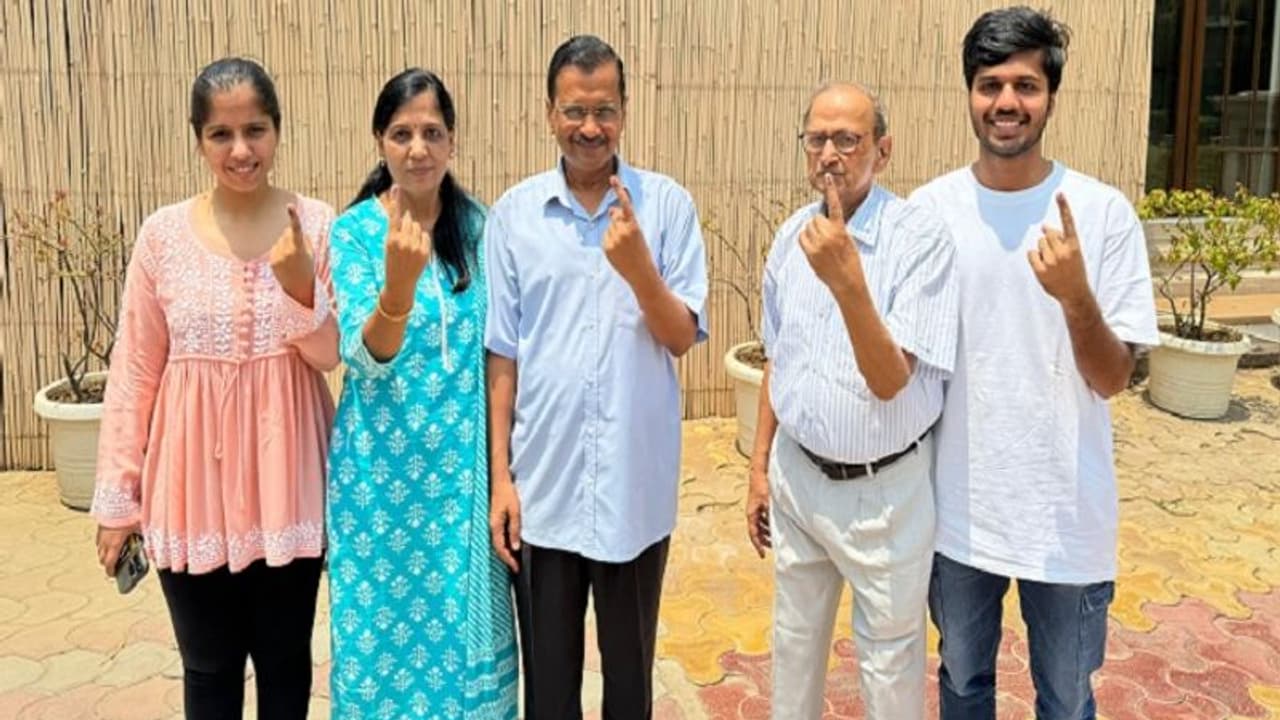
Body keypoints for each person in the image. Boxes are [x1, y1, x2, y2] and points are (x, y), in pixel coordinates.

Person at [909, 7, 1160, 719]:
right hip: (957, 511)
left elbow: (1112, 379)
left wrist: (1077, 296)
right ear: (969, 93)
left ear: (1051, 96)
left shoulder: (1102, 214)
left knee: (1065, 697)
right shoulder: (930, 212)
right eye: (991, 84)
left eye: (1026, 84)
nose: (1007, 103)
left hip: (1065, 515)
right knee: (961, 684)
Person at [91, 57, 337, 719]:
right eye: (221, 135)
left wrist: (296, 289)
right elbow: (136, 369)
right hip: (189, 485)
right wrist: (119, 499)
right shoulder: (162, 236)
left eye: (255, 130)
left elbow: (328, 353)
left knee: (286, 666)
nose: (241, 150)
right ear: (198, 139)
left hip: (288, 483)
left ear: (278, 131)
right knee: (208, 670)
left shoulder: (314, 224)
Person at [484, 34, 709, 719]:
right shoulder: (515, 215)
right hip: (544, 491)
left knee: (629, 683)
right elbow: (503, 355)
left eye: (604, 110)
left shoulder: (666, 207)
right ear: (549, 113)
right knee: (549, 689)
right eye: (575, 110)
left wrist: (640, 267)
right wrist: (502, 478)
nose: (590, 127)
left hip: (632, 493)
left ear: (625, 111)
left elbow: (680, 337)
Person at [743, 82, 958, 719]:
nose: (830, 154)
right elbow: (777, 360)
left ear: (882, 151)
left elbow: (892, 380)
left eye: (848, 140)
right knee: (793, 645)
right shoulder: (790, 238)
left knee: (890, 667)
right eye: (818, 139)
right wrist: (758, 469)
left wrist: (848, 282)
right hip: (798, 477)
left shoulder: (919, 240)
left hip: (883, 496)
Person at [326, 68, 518, 719]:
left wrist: (501, 475)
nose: (418, 148)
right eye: (402, 133)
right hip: (378, 482)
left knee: (461, 639)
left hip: (459, 482)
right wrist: (397, 290)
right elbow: (365, 355)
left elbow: (500, 351)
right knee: (381, 635)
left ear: (453, 142)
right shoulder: (353, 234)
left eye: (432, 132)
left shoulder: (481, 227)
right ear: (379, 141)